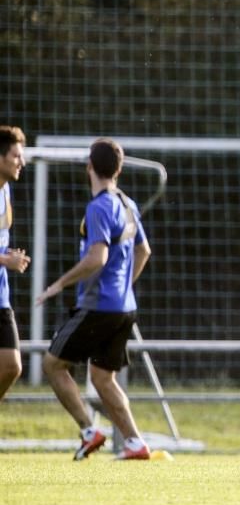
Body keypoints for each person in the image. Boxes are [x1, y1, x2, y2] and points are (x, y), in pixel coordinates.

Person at [36, 138, 153, 460]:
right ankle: (135, 442)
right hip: (124, 306)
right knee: (103, 377)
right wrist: (125, 286)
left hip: (99, 306)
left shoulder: (99, 206)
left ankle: (90, 430)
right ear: (119, 168)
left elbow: (97, 259)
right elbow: (144, 250)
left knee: (53, 364)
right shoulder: (127, 203)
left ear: (90, 166)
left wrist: (58, 284)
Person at [0, 126, 31, 401]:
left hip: (1, 296)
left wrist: (8, 254)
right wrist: (5, 259)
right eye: (16, 155)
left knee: (12, 366)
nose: (21, 161)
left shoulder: (6, 190)